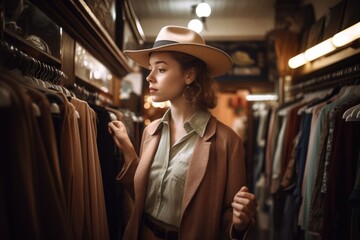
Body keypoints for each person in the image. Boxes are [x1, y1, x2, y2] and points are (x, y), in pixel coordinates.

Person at [108, 25, 257, 240]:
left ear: (189, 75)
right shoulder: (151, 131)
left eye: (160, 69)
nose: (149, 77)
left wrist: (240, 224)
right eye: (150, 68)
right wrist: (127, 149)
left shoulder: (227, 142)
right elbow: (142, 195)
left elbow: (229, 218)